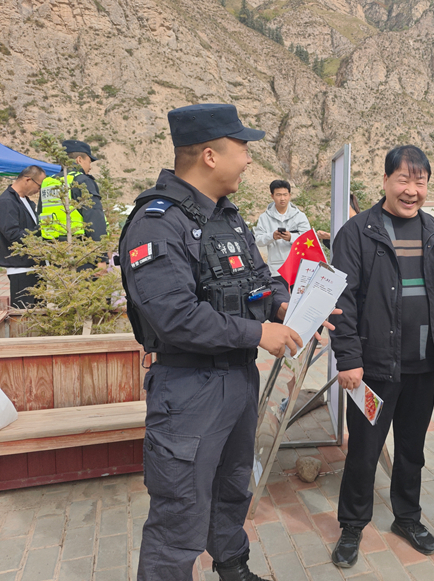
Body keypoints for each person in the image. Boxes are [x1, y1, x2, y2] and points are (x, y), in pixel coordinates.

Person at [120, 103, 334, 581]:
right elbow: (175, 317)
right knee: (179, 510)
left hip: (237, 379)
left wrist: (284, 306)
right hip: (188, 389)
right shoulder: (157, 222)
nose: (249, 159)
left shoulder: (228, 217)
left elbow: (261, 278)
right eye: (242, 148)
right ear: (210, 156)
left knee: (234, 487)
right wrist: (260, 333)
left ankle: (233, 568)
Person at [329, 145, 434, 568]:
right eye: (403, 179)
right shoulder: (358, 232)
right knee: (364, 450)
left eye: (420, 182)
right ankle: (352, 525)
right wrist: (348, 359)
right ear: (385, 180)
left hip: (423, 365)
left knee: (412, 449)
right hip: (374, 368)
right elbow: (342, 301)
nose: (411, 190)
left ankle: (407, 517)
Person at [39, 140, 107, 242]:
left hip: (51, 245)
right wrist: (100, 246)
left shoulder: (47, 182)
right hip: (78, 245)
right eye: (89, 162)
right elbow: (94, 217)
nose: (90, 167)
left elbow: (40, 214)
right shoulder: (82, 181)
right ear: (79, 160)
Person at [0, 165, 45, 307]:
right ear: (27, 180)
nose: (39, 190)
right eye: (39, 185)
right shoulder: (7, 201)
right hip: (21, 268)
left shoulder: (27, 201)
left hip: (34, 266)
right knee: (24, 314)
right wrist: (39, 232)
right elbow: (12, 234)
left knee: (40, 312)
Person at [254, 179, 311, 288]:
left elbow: (308, 239)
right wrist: (272, 236)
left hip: (298, 268)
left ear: (290, 195)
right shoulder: (264, 218)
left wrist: (291, 237)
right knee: (280, 297)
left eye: (285, 194)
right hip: (276, 269)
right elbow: (258, 240)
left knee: (298, 297)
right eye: (278, 195)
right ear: (272, 196)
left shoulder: (300, 216)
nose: (282, 198)